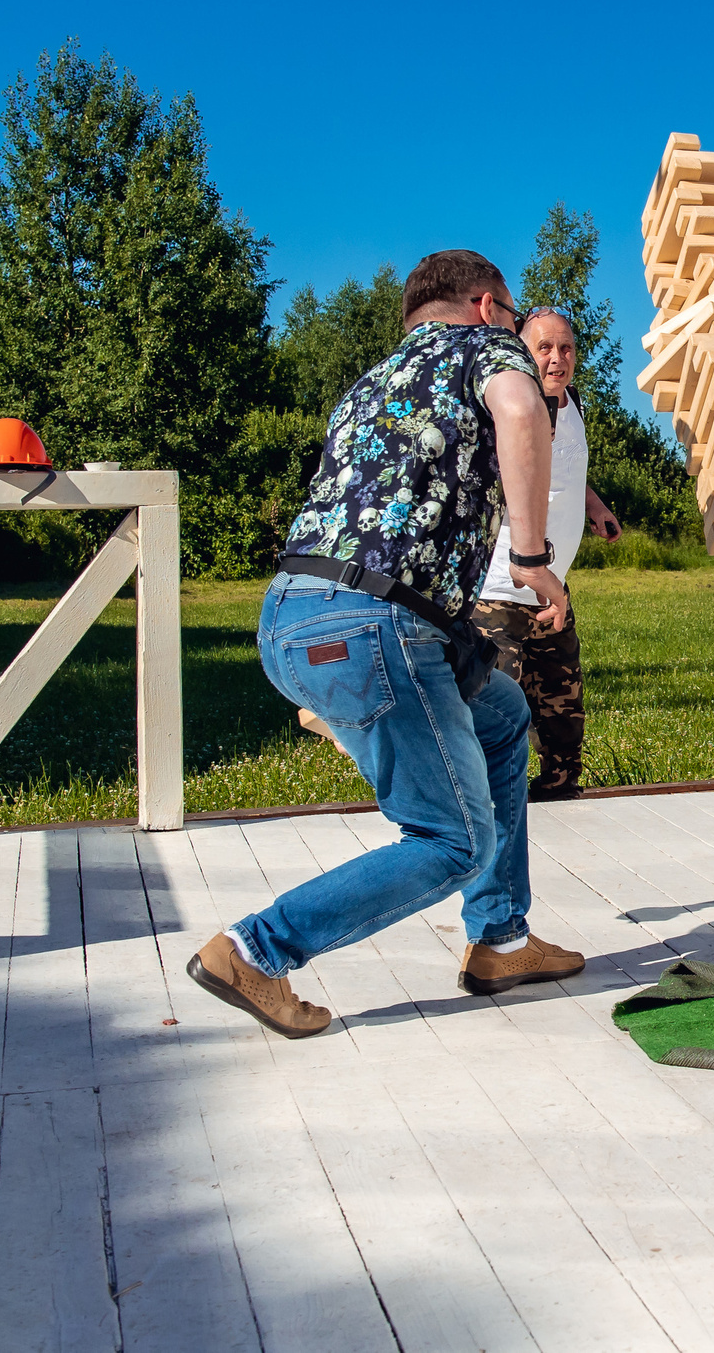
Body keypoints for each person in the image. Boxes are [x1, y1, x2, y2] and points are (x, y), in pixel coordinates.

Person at [184, 248, 587, 1038]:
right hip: (375, 627)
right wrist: (532, 557)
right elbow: (520, 411)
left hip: (290, 617)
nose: (515, 329)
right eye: (510, 313)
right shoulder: (484, 348)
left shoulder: (374, 379)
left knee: (504, 715)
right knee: (453, 839)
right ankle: (257, 949)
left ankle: (500, 936)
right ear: (484, 305)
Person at [469, 307, 623, 803]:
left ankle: (558, 795)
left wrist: (594, 504)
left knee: (563, 712)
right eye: (545, 348)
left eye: (567, 348)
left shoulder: (572, 401)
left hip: (551, 591)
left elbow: (563, 470)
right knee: (493, 708)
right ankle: (483, 806)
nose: (558, 359)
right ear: (522, 351)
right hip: (499, 588)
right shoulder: (514, 404)